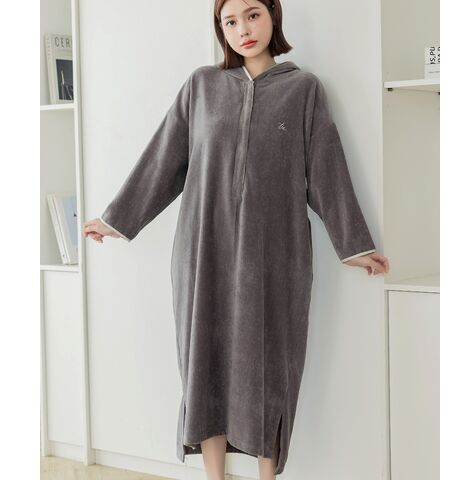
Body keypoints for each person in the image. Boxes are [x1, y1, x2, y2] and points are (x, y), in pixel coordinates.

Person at [84, 0, 389, 478]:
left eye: (252, 15)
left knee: (270, 365)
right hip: (203, 252)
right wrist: (115, 218)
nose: (243, 29)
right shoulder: (201, 87)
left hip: (275, 256)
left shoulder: (303, 90)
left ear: (273, 16)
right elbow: (164, 160)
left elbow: (327, 171)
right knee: (203, 362)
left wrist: (355, 244)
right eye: (230, 21)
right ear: (220, 29)